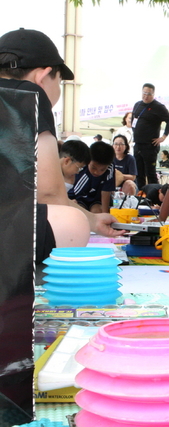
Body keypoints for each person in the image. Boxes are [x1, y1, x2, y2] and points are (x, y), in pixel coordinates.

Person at [0, 28, 118, 260]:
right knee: (71, 222)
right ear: (43, 76)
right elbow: (50, 194)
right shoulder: (29, 95)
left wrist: (94, 219)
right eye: (60, 82)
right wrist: (88, 220)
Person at [131, 82, 169, 188]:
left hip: (150, 145)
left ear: (153, 94)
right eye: (144, 93)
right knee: (139, 173)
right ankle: (141, 195)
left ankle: (154, 195)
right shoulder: (137, 105)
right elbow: (134, 119)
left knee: (150, 173)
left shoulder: (158, 106)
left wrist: (163, 137)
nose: (146, 96)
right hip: (137, 144)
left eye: (149, 94)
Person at [70, 141, 116, 214]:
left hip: (98, 200)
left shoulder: (110, 167)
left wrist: (104, 215)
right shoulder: (81, 167)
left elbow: (106, 192)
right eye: (93, 168)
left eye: (102, 169)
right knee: (80, 212)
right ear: (88, 161)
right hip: (80, 199)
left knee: (98, 212)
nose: (97, 172)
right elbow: (74, 193)